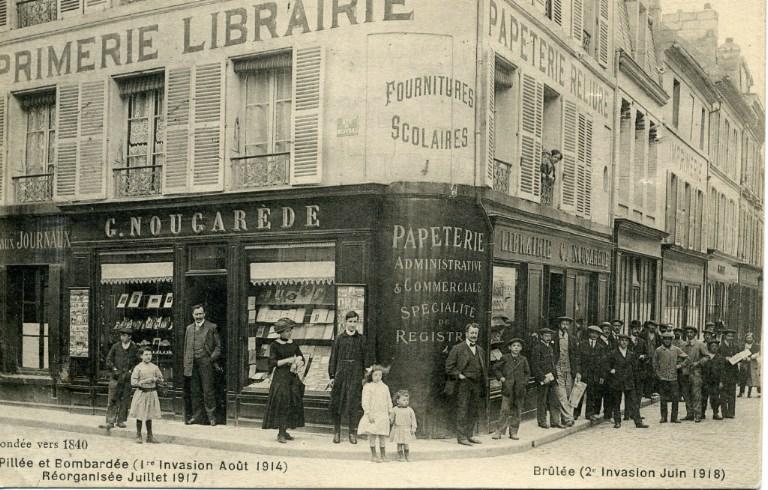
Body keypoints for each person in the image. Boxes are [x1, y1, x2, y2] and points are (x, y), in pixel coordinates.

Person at [262, 318, 305, 443]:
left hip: (292, 376)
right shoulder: (275, 345)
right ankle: (280, 433)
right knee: (282, 403)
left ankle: (285, 430)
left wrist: (299, 361)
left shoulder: (293, 343)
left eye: (290, 330)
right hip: (281, 378)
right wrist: (288, 360)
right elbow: (272, 362)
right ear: (280, 332)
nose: (289, 333)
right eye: (287, 331)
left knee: (291, 403)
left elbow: (301, 356)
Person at [329, 311, 368, 444]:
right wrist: (332, 375)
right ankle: (337, 432)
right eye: (350, 321)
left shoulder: (361, 339)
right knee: (337, 403)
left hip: (355, 374)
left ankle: (352, 432)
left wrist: (364, 376)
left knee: (353, 403)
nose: (352, 324)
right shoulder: (339, 339)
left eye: (355, 322)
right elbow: (333, 358)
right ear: (345, 322)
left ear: (357, 323)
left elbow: (365, 358)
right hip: (341, 374)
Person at [445, 323, 487, 446]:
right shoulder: (457, 348)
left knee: (473, 410)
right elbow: (449, 367)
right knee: (463, 410)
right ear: (466, 333)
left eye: (476, 333)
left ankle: (470, 435)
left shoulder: (480, 350)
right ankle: (461, 437)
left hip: (477, 384)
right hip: (463, 384)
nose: (474, 335)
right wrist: (460, 375)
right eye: (472, 333)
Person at [183, 304, 221, 426]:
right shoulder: (189, 329)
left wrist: (210, 359)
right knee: (195, 391)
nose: (198, 316)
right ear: (192, 315)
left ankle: (211, 417)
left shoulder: (212, 327)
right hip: (192, 363)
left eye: (200, 314)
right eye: (196, 314)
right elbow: (186, 347)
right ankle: (196, 416)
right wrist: (186, 363)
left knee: (208, 390)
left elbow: (218, 347)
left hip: (206, 363)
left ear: (204, 314)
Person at [605, 334, 649, 429]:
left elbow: (634, 368)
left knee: (634, 402)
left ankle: (638, 422)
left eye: (626, 341)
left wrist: (635, 380)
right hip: (617, 381)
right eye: (622, 340)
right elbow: (606, 365)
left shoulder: (631, 354)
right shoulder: (613, 353)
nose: (624, 342)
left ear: (628, 343)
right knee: (616, 402)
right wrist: (611, 370)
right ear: (619, 342)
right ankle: (617, 421)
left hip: (629, 381)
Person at [100, 326, 139, 431]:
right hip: (115, 378)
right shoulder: (115, 347)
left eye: (124, 335)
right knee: (112, 399)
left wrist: (131, 371)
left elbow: (137, 363)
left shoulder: (134, 348)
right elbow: (108, 360)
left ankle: (121, 421)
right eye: (121, 335)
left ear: (129, 337)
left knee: (124, 400)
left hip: (127, 379)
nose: (122, 337)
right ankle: (110, 421)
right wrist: (114, 369)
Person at [492, 338, 530, 440]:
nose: (516, 348)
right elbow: (495, 368)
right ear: (510, 347)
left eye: (518, 346)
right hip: (508, 389)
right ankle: (499, 431)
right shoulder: (505, 358)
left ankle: (513, 432)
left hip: (519, 389)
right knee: (504, 410)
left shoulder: (523, 359)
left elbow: (527, 373)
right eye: (514, 346)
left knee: (517, 411)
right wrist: (501, 377)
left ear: (521, 348)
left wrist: (524, 383)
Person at [357, 365, 392, 463]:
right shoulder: (368, 387)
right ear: (371, 376)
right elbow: (365, 401)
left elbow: (388, 400)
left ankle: (383, 455)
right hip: (373, 414)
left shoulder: (385, 387)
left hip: (383, 414)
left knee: (382, 435)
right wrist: (368, 413)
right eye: (375, 375)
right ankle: (374, 455)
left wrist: (390, 411)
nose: (378, 377)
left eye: (380, 375)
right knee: (372, 434)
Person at [530, 327, 564, 429]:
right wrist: (542, 377)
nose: (548, 338)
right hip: (543, 379)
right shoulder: (537, 348)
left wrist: (555, 376)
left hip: (552, 378)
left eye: (549, 336)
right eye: (546, 336)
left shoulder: (550, 347)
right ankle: (542, 421)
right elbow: (535, 365)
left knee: (555, 400)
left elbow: (553, 363)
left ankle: (555, 421)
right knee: (542, 401)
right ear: (541, 336)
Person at [129, 348, 164, 444]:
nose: (148, 356)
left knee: (149, 415)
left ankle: (150, 436)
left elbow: (161, 379)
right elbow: (133, 382)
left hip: (151, 393)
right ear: (141, 356)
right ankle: (138, 435)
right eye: (146, 354)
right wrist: (145, 381)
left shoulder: (155, 367)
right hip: (141, 393)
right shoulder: (138, 368)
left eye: (150, 354)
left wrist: (156, 379)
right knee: (140, 414)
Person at [653, 331, 688, 423]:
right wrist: (658, 374)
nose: (667, 341)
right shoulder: (659, 350)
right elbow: (654, 364)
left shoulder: (676, 349)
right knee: (663, 398)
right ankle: (663, 417)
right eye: (665, 339)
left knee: (675, 398)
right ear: (663, 340)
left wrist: (680, 365)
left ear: (671, 340)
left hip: (673, 378)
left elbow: (687, 358)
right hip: (663, 378)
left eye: (669, 339)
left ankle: (674, 417)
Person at [576, 325, 607, 422]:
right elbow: (578, 359)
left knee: (591, 394)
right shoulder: (582, 344)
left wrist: (602, 376)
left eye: (596, 334)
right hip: (584, 373)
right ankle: (575, 413)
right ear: (589, 333)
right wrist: (578, 372)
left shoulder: (601, 347)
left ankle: (589, 414)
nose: (594, 335)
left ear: (599, 335)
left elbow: (603, 363)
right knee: (579, 393)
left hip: (595, 375)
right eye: (592, 333)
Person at [679, 326, 710, 423]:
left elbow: (707, 357)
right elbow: (679, 357)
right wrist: (680, 364)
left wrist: (698, 363)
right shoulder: (683, 345)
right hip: (685, 372)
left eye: (691, 332)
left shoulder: (700, 344)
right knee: (686, 394)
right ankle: (689, 414)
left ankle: (697, 414)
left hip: (696, 373)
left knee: (696, 394)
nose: (689, 334)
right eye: (687, 332)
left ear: (695, 334)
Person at [552, 316, 579, 427]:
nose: (565, 326)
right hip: (557, 369)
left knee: (568, 394)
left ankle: (565, 418)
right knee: (561, 394)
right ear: (559, 325)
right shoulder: (553, 337)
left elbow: (576, 356)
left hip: (569, 369)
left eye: (567, 324)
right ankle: (568, 418)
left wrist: (577, 371)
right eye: (563, 324)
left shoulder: (572, 339)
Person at [625, 321, 648, 420]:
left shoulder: (642, 341)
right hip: (629, 371)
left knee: (638, 394)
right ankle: (627, 414)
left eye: (638, 329)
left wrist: (644, 357)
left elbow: (647, 354)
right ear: (631, 329)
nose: (637, 331)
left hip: (640, 371)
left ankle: (635, 414)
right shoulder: (626, 341)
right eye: (635, 329)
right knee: (628, 393)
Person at [390, 389, 417, 462]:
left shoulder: (410, 410)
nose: (406, 402)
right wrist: (391, 420)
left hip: (406, 429)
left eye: (407, 400)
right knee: (399, 443)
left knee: (406, 443)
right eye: (404, 400)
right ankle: (400, 456)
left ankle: (407, 455)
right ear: (398, 401)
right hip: (398, 428)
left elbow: (413, 419)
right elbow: (391, 418)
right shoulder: (395, 409)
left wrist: (413, 428)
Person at [719, 329, 741, 418]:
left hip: (733, 372)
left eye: (732, 336)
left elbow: (739, 356)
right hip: (723, 372)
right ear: (725, 336)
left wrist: (740, 358)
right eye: (728, 336)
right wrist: (725, 359)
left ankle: (731, 413)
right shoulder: (720, 346)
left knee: (732, 393)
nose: (730, 338)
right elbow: (717, 357)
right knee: (723, 393)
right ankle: (724, 412)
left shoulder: (735, 346)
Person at [702, 339, 724, 420]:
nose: (714, 348)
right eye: (712, 346)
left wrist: (721, 381)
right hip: (706, 380)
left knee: (715, 398)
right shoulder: (705, 357)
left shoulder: (720, 358)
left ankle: (715, 413)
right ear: (709, 347)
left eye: (716, 346)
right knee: (704, 397)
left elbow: (722, 371)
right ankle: (702, 413)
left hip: (715, 381)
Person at [640, 320, 661, 399]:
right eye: (651, 325)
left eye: (654, 326)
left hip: (654, 358)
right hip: (645, 358)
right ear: (648, 326)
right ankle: (642, 391)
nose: (652, 327)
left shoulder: (657, 336)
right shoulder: (642, 335)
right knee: (644, 375)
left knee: (652, 375)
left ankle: (649, 392)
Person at [700, 323, 717, 417]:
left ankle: (715, 412)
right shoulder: (701, 344)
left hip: (714, 374)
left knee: (714, 395)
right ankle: (702, 412)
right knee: (704, 394)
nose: (707, 337)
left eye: (709, 335)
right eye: (706, 335)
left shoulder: (715, 345)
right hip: (704, 373)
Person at [738, 332, 760, 398]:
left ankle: (749, 393)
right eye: (747, 338)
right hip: (744, 363)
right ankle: (741, 392)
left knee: (750, 377)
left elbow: (758, 353)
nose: (749, 339)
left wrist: (752, 357)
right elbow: (740, 353)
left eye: (750, 338)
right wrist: (743, 357)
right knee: (742, 377)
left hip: (752, 363)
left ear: (753, 338)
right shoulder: (743, 345)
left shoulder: (756, 346)